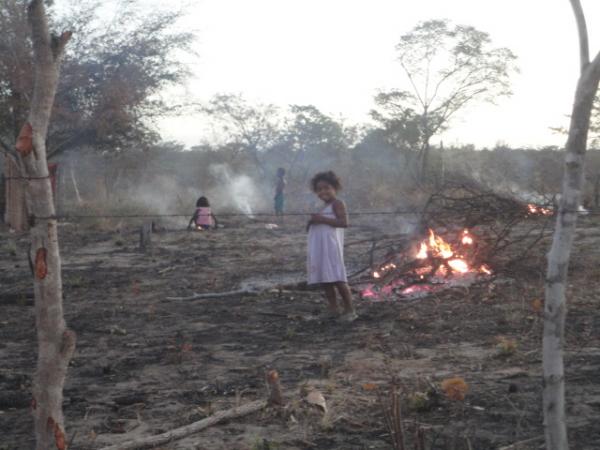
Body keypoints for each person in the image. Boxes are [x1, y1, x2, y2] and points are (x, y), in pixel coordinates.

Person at [306, 171, 357, 322]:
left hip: (331, 247)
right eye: (319, 189)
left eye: (327, 188)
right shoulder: (323, 206)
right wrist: (312, 222)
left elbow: (344, 223)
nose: (323, 192)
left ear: (335, 188)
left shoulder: (337, 204)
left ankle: (350, 310)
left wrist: (321, 219)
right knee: (325, 278)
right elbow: (318, 224)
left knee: (337, 278)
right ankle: (333, 308)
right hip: (320, 247)